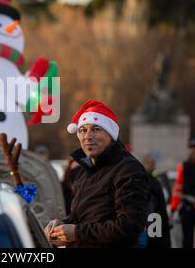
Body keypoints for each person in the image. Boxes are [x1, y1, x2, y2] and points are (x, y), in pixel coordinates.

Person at [45, 100, 149, 248]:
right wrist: (62, 227)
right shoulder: (85, 170)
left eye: (96, 129)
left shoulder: (128, 169)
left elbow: (129, 227)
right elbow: (86, 218)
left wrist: (77, 233)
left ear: (111, 134)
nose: (88, 136)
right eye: (82, 130)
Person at [141, 154, 171, 248]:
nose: (153, 165)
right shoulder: (152, 182)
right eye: (151, 163)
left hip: (153, 225)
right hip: (155, 225)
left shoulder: (142, 180)